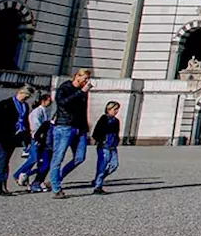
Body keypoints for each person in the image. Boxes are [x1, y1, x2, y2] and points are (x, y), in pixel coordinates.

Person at [49, 69, 92, 199]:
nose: (86, 82)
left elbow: (83, 110)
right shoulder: (65, 88)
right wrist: (81, 92)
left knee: (80, 157)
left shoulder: (83, 92)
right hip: (64, 126)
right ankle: (56, 188)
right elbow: (62, 103)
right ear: (76, 77)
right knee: (58, 157)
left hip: (79, 128)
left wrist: (85, 126)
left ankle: (57, 177)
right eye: (84, 79)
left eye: (87, 79)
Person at [0, 86, 33, 195]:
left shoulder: (25, 106)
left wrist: (27, 137)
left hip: (12, 138)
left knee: (2, 161)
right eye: (25, 96)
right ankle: (1, 186)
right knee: (3, 157)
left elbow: (25, 122)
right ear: (20, 92)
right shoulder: (4, 104)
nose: (26, 98)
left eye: (28, 97)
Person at [14, 93, 52, 191]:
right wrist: (40, 135)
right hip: (36, 137)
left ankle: (32, 178)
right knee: (34, 158)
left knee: (40, 161)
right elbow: (36, 126)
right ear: (43, 100)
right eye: (49, 100)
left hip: (41, 138)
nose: (50, 102)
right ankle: (19, 173)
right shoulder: (37, 112)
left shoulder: (45, 111)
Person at [90, 101, 121, 195]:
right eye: (115, 109)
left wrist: (116, 140)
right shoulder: (103, 119)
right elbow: (95, 133)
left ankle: (98, 179)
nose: (116, 111)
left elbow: (116, 132)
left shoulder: (116, 121)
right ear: (108, 109)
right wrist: (101, 140)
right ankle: (98, 187)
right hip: (104, 146)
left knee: (114, 165)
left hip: (113, 146)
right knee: (102, 166)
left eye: (117, 109)